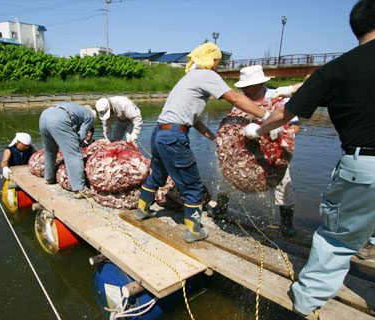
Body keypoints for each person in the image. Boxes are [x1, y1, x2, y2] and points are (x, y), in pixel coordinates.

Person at [244, 0, 375, 315]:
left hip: (363, 165)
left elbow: (284, 116)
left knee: (337, 239)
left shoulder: (336, 70)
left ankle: (304, 302)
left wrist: (257, 132)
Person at [135, 42, 272, 244]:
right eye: (218, 61)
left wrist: (212, 136)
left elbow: (192, 117)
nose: (219, 65)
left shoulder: (189, 77)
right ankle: (194, 231)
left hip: (160, 133)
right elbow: (234, 97)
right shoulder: (207, 75)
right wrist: (267, 116)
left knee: (158, 174)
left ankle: (142, 211)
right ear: (212, 60)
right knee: (193, 186)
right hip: (173, 136)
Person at [208, 65, 303, 237]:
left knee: (284, 185)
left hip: (273, 151)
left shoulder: (279, 99)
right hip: (247, 149)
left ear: (260, 84)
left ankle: (286, 223)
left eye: (248, 87)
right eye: (242, 87)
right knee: (227, 177)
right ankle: (220, 210)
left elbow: (295, 126)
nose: (244, 90)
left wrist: (282, 130)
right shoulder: (242, 101)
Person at [39, 102, 96, 199]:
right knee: (74, 154)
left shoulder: (76, 108)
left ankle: (49, 177)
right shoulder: (89, 116)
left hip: (44, 116)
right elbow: (81, 136)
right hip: (59, 119)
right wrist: (73, 145)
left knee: (50, 150)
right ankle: (79, 189)